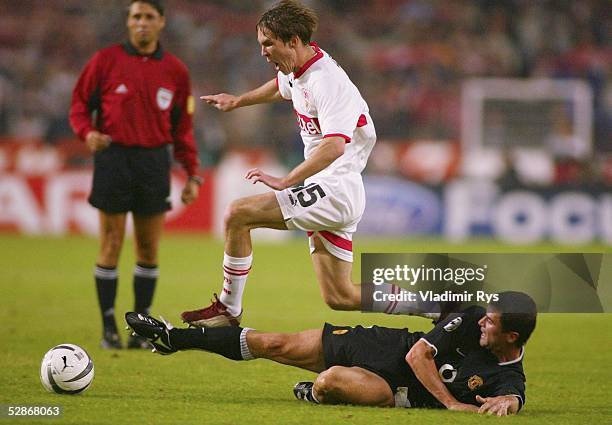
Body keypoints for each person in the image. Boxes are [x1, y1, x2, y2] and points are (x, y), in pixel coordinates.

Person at [181, 0, 387, 328]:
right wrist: (239, 101)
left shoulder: (326, 81)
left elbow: (334, 146)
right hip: (331, 187)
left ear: (292, 41)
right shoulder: (298, 67)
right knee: (340, 296)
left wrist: (287, 180)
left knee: (238, 214)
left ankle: (228, 309)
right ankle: (434, 305)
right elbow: (282, 88)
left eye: (268, 44)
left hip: (335, 187)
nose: (263, 52)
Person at [127, 291, 536, 416]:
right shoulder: (470, 317)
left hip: (386, 389)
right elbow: (417, 356)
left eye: (493, 323)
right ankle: (172, 339)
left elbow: (514, 396)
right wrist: (451, 404)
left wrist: (510, 403)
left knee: (329, 383)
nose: (483, 322)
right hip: (382, 346)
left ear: (512, 337)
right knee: (276, 344)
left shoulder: (507, 374)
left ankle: (317, 392)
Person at [69, 0, 201, 349]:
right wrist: (87, 133)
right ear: (128, 23)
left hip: (153, 163)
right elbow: (79, 105)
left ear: (161, 22)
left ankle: (140, 328)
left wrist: (192, 174)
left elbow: (182, 129)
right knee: (111, 243)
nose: (141, 23)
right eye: (136, 17)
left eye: (148, 17)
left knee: (147, 248)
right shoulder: (105, 61)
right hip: (114, 158)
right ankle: (109, 325)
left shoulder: (176, 71)